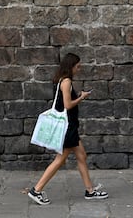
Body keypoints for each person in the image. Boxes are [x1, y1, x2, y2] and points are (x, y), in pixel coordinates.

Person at [28, 53, 108, 205]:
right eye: (78, 66)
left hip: (71, 128)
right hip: (67, 128)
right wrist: (82, 97)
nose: (79, 68)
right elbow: (68, 105)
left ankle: (90, 191)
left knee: (82, 156)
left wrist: (77, 96)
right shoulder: (66, 82)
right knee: (60, 160)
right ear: (71, 66)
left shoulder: (62, 80)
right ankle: (36, 190)